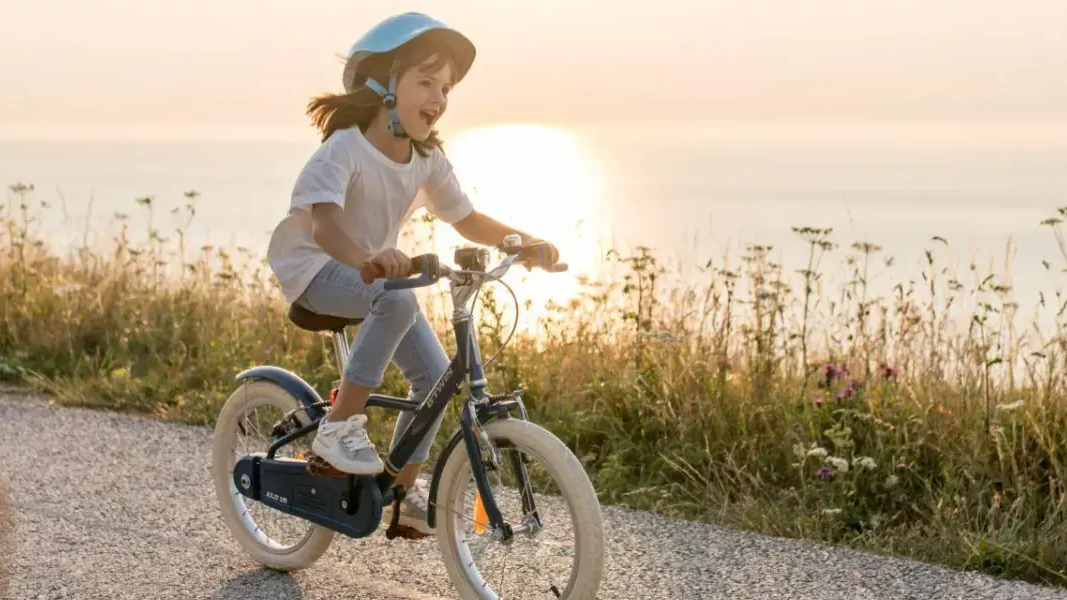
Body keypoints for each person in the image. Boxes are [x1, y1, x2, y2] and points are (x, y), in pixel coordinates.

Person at [265, 12, 558, 537]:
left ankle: (403, 492)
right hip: (315, 270)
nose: (439, 96)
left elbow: (466, 218)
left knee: (434, 377)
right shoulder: (345, 149)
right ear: (383, 85)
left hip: (372, 278)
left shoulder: (425, 158)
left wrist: (525, 241)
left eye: (445, 87)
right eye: (426, 81)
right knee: (398, 301)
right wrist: (367, 260)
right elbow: (326, 226)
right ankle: (336, 431)